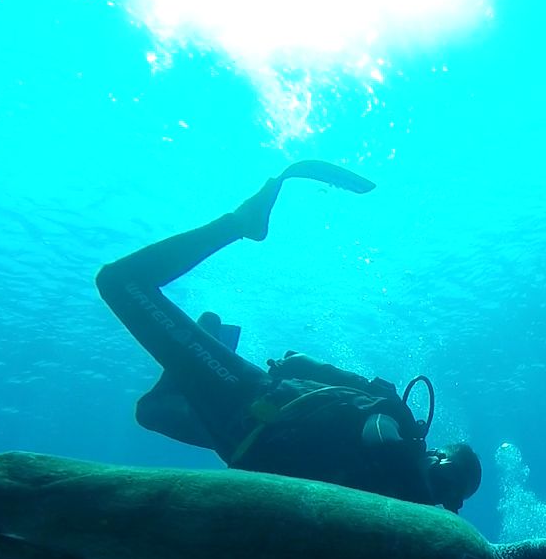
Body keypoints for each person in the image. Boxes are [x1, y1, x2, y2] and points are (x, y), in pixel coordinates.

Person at [94, 160, 483, 512]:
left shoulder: (391, 499)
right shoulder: (395, 429)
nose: (435, 492)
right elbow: (376, 436)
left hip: (241, 444)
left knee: (153, 412)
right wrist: (409, 483)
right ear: (436, 455)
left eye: (447, 496)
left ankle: (209, 336)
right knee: (120, 282)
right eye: (445, 480)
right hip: (247, 401)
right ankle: (240, 224)